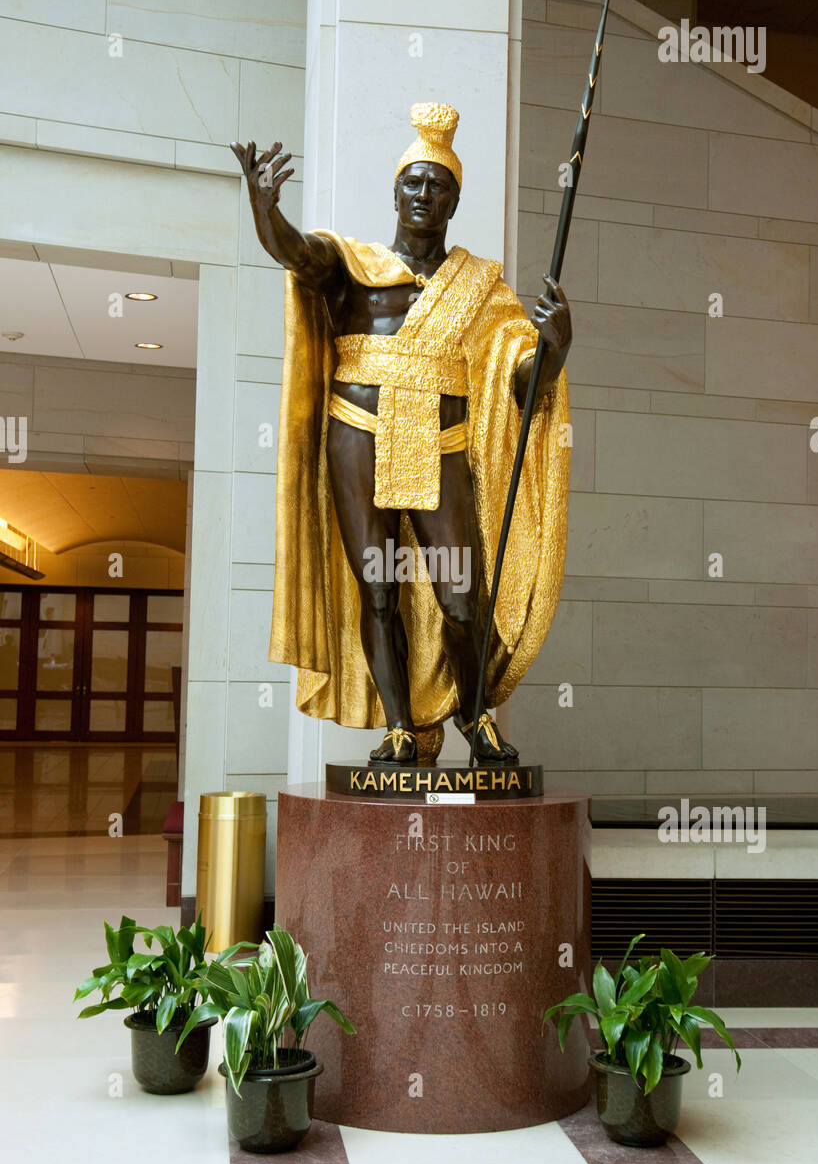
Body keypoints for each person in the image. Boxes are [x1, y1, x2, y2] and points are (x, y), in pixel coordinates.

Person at [232, 103, 572, 764]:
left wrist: (554, 349)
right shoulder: (352, 265)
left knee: (461, 596)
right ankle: (398, 728)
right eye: (412, 183)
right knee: (378, 590)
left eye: (436, 185)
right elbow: (294, 253)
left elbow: (521, 381)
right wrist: (264, 208)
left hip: (440, 447)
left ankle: (476, 723)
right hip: (357, 436)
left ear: (454, 199)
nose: (422, 194)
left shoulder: (480, 287)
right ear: (395, 192)